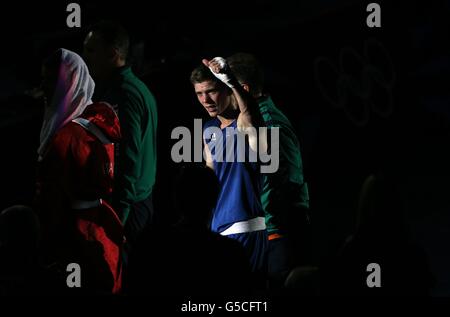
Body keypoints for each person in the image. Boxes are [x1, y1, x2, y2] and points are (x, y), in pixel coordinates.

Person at [34, 48, 123, 294]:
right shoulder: (95, 122)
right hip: (102, 235)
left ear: (70, 82)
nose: (44, 87)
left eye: (51, 79)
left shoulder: (67, 136)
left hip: (76, 240)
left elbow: (52, 198)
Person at [227, 53, 311, 291]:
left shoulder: (270, 122)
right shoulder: (251, 120)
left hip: (280, 236)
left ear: (242, 89)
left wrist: (270, 227)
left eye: (226, 87)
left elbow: (285, 179)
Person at [190, 57, 268, 286]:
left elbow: (251, 115)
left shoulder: (244, 122)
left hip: (246, 227)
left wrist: (231, 81)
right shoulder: (208, 129)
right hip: (218, 230)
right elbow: (209, 179)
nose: (206, 100)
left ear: (227, 90)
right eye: (199, 94)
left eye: (212, 91)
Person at [83, 21, 158, 255]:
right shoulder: (134, 89)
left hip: (129, 208)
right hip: (136, 203)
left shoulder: (124, 95)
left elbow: (128, 159)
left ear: (113, 54)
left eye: (91, 50)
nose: (85, 57)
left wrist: (118, 218)